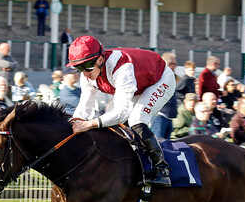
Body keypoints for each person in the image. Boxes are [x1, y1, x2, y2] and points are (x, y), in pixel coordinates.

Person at [68, 35, 176, 186]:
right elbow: (85, 105)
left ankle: (162, 170)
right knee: (108, 119)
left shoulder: (122, 67)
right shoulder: (89, 72)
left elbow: (122, 113)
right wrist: (75, 122)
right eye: (79, 67)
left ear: (100, 60)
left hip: (160, 80)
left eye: (87, 66)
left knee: (137, 119)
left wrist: (89, 124)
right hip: (138, 84)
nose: (84, 73)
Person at [152, 52, 179, 140]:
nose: (175, 66)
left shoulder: (170, 77)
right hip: (160, 116)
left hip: (168, 117)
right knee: (159, 144)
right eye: (173, 64)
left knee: (166, 145)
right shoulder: (159, 77)